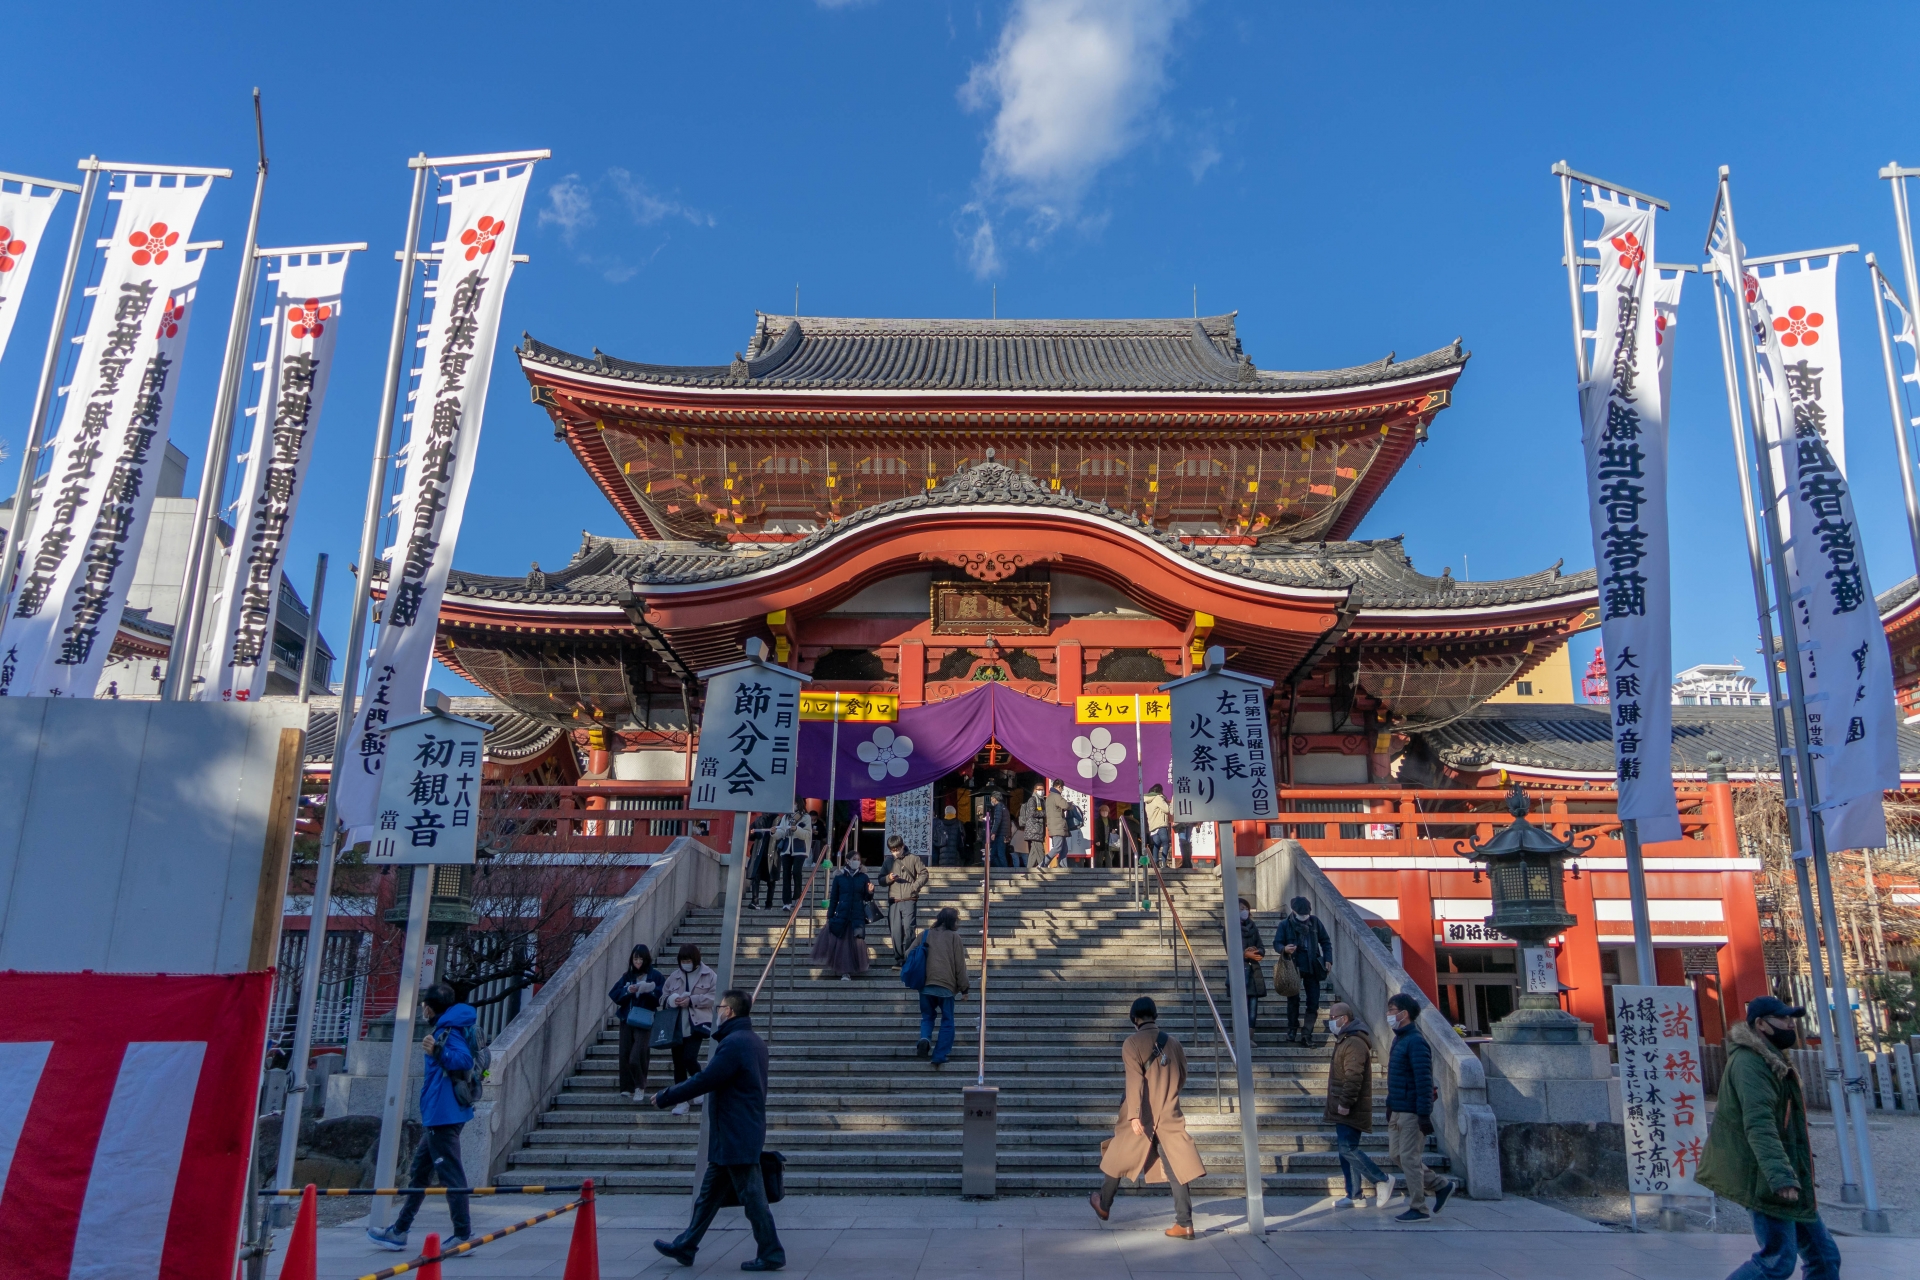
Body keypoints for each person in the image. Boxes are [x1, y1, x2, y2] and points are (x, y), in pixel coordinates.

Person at [1698, 996, 1840, 1280]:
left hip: (1786, 1172)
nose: (1791, 1024)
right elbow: (1759, 1124)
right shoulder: (1751, 1063)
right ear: (1761, 1024)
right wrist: (1781, 1176)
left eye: (1792, 1019)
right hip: (1765, 1175)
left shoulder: (1771, 1058)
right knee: (1777, 1261)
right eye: (1783, 1019)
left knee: (1823, 1257)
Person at [651, 990, 785, 1271]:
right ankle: (686, 1246)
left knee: (753, 1200)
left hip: (736, 1134)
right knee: (708, 1197)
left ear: (731, 1012)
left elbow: (705, 1080)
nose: (717, 1011)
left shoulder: (735, 1044)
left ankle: (771, 1252)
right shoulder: (753, 1041)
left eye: (720, 1006)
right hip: (736, 1133)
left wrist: (667, 1096)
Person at [366, 983, 477, 1252]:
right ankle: (400, 1230)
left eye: (423, 1004)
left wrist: (438, 1051)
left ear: (429, 1007)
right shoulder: (451, 1025)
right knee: (419, 1173)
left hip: (444, 1114)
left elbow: (464, 1060)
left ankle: (463, 1235)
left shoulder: (446, 1031)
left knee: (451, 1174)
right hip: (440, 1113)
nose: (422, 1009)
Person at [1088, 996, 1204, 1239]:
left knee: (1118, 1154)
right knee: (1176, 1167)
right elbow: (1182, 1076)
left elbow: (1135, 1080)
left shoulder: (1131, 1043)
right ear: (1155, 1016)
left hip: (1142, 1113)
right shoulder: (1174, 1043)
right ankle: (1185, 1223)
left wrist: (1134, 1116)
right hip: (1168, 1111)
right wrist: (1167, 1093)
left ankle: (1104, 1205)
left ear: (1134, 1019)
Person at [1383, 992, 1458, 1221]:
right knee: (1397, 1155)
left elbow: (1424, 1081)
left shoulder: (1416, 1041)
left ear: (1404, 1014)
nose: (1388, 1015)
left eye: (1392, 1011)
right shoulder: (1400, 1039)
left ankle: (1419, 1207)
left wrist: (1423, 1114)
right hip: (1398, 1107)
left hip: (1412, 1111)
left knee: (1409, 1158)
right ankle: (1440, 1185)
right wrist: (1390, 1104)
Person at [1323, 1001, 1388, 1207]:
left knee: (1348, 1149)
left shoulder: (1354, 1043)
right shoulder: (1346, 1040)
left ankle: (1382, 1179)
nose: (1330, 1022)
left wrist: (1346, 1102)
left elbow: (1354, 1077)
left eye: (1333, 1018)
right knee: (1346, 1150)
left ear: (1344, 1019)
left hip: (1349, 1106)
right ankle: (1354, 1193)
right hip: (1343, 1105)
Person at [659, 943, 717, 1114]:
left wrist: (692, 1000)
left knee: (689, 1058)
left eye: (688, 960)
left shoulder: (708, 975)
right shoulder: (674, 977)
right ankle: (681, 1101)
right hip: (676, 1025)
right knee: (678, 1063)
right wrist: (672, 1000)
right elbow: (662, 996)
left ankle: (700, 1087)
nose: (685, 963)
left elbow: (715, 996)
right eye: (682, 960)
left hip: (697, 1024)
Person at [1274, 895, 1332, 1045]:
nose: (1304, 917)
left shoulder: (1315, 922)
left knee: (1313, 1001)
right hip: (1292, 966)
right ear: (1293, 911)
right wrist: (1284, 949)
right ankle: (1292, 1029)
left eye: (1306, 914)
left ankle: (1307, 1033)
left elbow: (1325, 941)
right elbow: (1277, 943)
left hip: (1312, 965)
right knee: (1293, 999)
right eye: (1301, 914)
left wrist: (1328, 959)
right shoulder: (1285, 924)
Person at [917, 906, 971, 1066]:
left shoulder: (925, 934)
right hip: (946, 987)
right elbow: (960, 965)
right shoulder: (954, 938)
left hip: (926, 984)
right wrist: (964, 988)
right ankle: (939, 1055)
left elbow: (909, 953)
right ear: (953, 921)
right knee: (947, 1020)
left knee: (927, 1016)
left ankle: (925, 1038)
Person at [610, 944, 661, 1100]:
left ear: (646, 959)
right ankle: (626, 1087)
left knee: (638, 1054)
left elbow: (661, 995)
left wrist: (649, 990)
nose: (638, 961)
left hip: (645, 1019)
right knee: (625, 1052)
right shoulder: (628, 976)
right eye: (635, 958)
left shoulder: (655, 976)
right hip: (627, 1017)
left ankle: (640, 1086)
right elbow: (614, 994)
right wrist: (628, 990)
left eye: (640, 958)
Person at [810, 852, 873, 979]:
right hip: (842, 914)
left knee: (857, 940)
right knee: (843, 944)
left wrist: (870, 892)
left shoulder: (864, 877)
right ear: (847, 860)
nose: (857, 861)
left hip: (857, 915)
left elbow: (867, 897)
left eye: (858, 859)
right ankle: (845, 971)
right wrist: (829, 915)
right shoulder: (839, 877)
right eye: (854, 859)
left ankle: (855, 967)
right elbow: (833, 899)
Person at [883, 834, 929, 965]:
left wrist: (914, 887)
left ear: (902, 846)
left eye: (897, 849)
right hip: (894, 899)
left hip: (909, 898)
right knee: (895, 930)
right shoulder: (887, 862)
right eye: (892, 850)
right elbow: (881, 879)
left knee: (909, 928)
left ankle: (909, 956)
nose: (895, 852)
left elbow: (924, 873)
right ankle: (899, 958)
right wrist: (888, 878)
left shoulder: (913, 858)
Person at [1238, 897, 1265, 1031]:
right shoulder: (1230, 928)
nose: (1245, 911)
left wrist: (1256, 951)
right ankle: (1242, 1035)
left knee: (1253, 1006)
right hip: (1239, 971)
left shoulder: (1253, 927)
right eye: (1241, 909)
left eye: (1246, 909)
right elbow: (1230, 949)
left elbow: (1262, 947)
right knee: (1241, 1006)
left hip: (1254, 970)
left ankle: (1250, 1036)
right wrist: (1244, 953)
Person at [778, 808, 813, 907]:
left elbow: (807, 834)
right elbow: (781, 832)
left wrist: (797, 829)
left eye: (795, 802)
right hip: (786, 848)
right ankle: (786, 902)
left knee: (797, 872)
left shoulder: (806, 817)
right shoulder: (786, 816)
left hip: (800, 848)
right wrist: (774, 832)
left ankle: (798, 897)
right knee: (786, 874)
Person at [747, 811, 779, 909]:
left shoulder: (779, 821)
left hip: (773, 853)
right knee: (756, 876)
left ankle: (769, 903)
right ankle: (754, 900)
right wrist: (751, 833)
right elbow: (751, 834)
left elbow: (783, 836)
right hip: (759, 852)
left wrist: (776, 833)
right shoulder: (758, 820)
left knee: (771, 880)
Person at [1043, 779, 1072, 868]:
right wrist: (1071, 804)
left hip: (1055, 826)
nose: (1062, 790)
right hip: (1058, 826)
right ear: (1059, 786)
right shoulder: (1056, 796)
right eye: (1062, 788)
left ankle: (1063, 867)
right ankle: (1043, 864)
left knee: (1064, 849)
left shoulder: (1050, 797)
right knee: (1058, 847)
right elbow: (1065, 805)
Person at [982, 791, 1013, 867]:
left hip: (1000, 834)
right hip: (1003, 833)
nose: (991, 800)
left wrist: (993, 832)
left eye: (992, 798)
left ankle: (1005, 871)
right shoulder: (1003, 807)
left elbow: (997, 820)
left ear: (995, 799)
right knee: (994, 854)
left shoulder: (998, 807)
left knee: (1000, 854)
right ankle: (1001, 870)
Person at [1143, 784, 1171, 866]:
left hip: (1153, 826)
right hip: (1161, 824)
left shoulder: (1148, 801)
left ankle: (1155, 864)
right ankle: (1164, 863)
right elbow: (1166, 809)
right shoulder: (1158, 798)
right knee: (1165, 843)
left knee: (1156, 845)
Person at [931, 803, 962, 868]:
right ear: (954, 812)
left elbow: (936, 839)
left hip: (942, 855)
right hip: (955, 855)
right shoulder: (958, 824)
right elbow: (961, 841)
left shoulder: (940, 823)